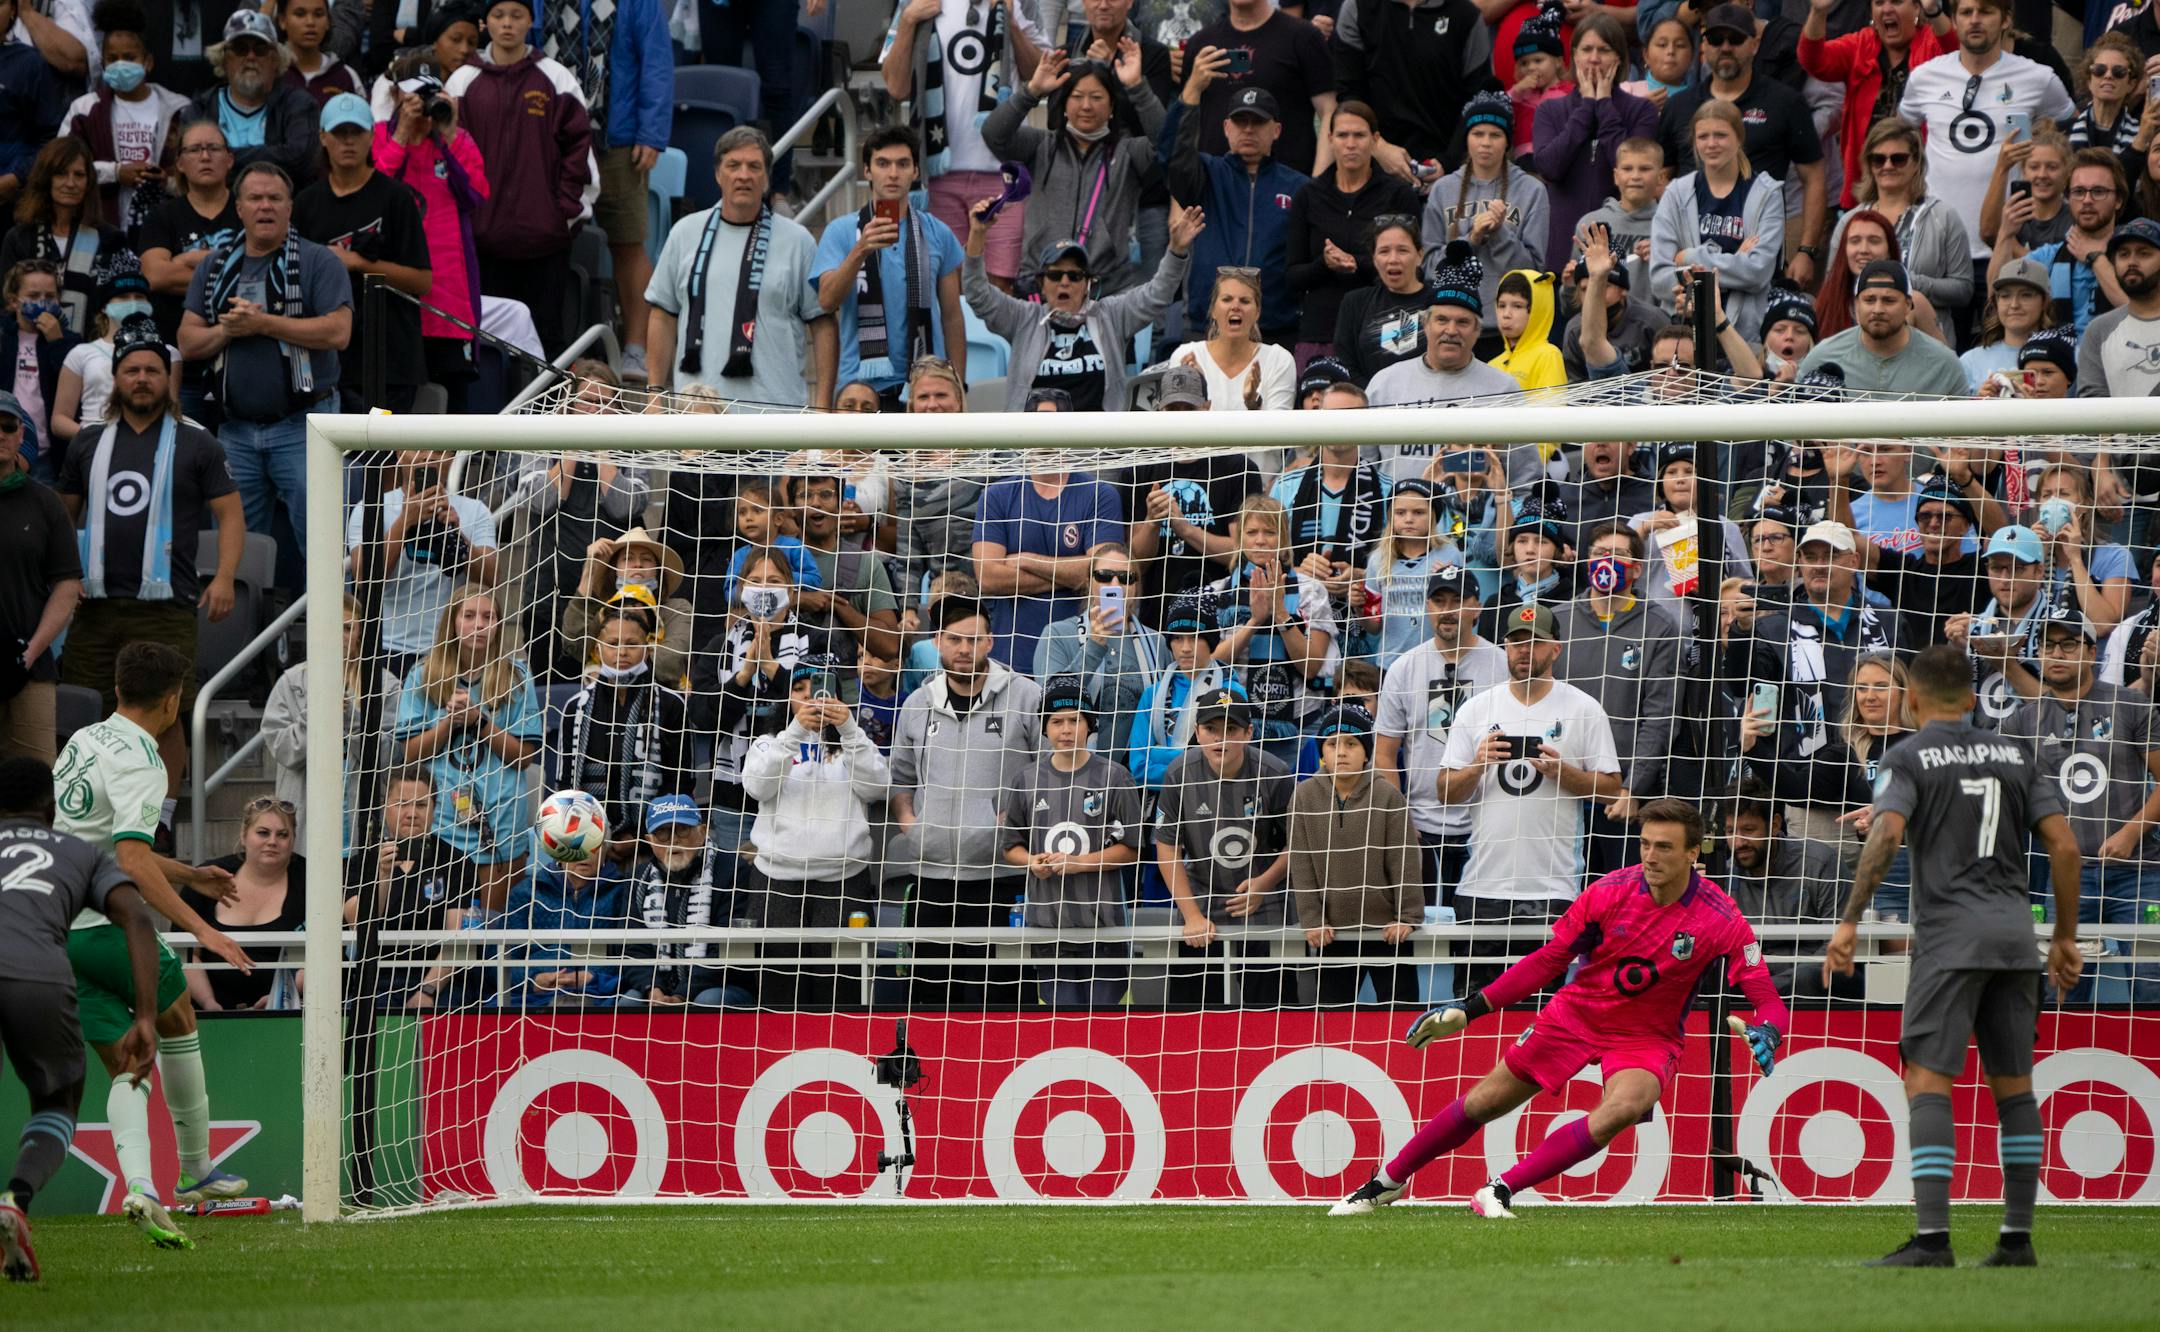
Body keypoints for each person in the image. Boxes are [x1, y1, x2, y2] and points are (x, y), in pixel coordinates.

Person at [1331, 799, 1788, 1218]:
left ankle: (1500, 1190)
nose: (1650, 856)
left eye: (1664, 847)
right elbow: (1549, 960)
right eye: (1645, 843)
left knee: (1626, 1105)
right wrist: (1471, 1009)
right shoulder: (1609, 892)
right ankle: (1385, 1183)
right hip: (1575, 1015)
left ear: (1694, 853)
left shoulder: (1720, 917)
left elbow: (1765, 996)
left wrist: (1769, 1031)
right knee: (1483, 1102)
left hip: (1646, 1037)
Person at [1824, 643, 2081, 1267]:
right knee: (2014, 1089)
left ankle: (1933, 1239)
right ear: (1972, 698)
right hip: (2016, 939)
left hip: (1948, 938)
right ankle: (2016, 1240)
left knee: (1928, 1082)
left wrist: (1851, 920)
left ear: (1911, 698)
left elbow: (1886, 832)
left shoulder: (1907, 755)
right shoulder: (2017, 753)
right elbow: (2066, 848)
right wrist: (2066, 936)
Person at [56, 641, 257, 1248]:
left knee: (127, 1064)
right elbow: (130, 859)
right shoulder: (144, 759)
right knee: (177, 1016)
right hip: (112, 930)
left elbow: (99, 844)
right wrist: (202, 927)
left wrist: (192, 875)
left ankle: (140, 1188)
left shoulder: (83, 741)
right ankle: (196, 1168)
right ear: (173, 701)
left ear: (118, 689)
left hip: (58, 931)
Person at [58, 319, 243, 814]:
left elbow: (230, 515)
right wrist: (62, 577)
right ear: (116, 379)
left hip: (166, 607)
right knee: (85, 706)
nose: (142, 378)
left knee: (168, 713)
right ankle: (88, 808)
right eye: (132, 370)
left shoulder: (197, 442)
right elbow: (62, 518)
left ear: (168, 379)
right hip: (94, 606)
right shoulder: (87, 441)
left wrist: (224, 576)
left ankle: (158, 818)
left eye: (153, 370)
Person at [0, 753, 165, 1282]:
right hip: (39, 979)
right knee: (57, 1099)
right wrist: (144, 1016)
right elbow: (137, 915)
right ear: (50, 808)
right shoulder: (79, 852)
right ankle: (15, 1198)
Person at [177, 161, 352, 572]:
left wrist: (264, 323)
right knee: (236, 556)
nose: (265, 206)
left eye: (275, 198)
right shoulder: (215, 265)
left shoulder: (318, 261)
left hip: (306, 425)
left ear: (290, 208)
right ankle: (247, 638)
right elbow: (187, 341)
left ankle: (330, 636)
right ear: (238, 208)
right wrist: (230, 330)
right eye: (255, 198)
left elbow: (338, 332)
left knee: (324, 549)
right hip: (235, 431)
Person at [1440, 602, 1623, 988]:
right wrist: (1477, 764)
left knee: (1544, 1017)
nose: (1525, 651)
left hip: (1553, 887)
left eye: (1536, 643)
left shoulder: (1583, 708)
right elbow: (1444, 792)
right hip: (1482, 888)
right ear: (1505, 648)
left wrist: (1564, 773)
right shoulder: (1475, 709)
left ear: (1555, 649)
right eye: (1517, 643)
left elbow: (1610, 790)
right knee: (1475, 1012)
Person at [888, 596, 1044, 1009]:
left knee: (1007, 1002)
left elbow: (1048, 775)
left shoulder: (1027, 697)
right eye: (955, 639)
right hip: (931, 877)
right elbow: (901, 777)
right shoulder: (916, 705)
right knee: (929, 1003)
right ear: (937, 642)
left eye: (974, 640)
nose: (964, 649)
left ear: (990, 642)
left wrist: (1014, 822)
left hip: (1002, 877)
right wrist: (911, 823)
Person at [2000, 606, 2160, 1005]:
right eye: (2047, 645)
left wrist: (2129, 833)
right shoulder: (2024, 720)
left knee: (2151, 985)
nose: (2057, 654)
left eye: (2069, 644)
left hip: (2138, 873)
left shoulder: (2131, 705)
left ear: (2091, 652)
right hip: (2067, 878)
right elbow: (1991, 785)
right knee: (2062, 993)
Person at [445, 0, 594, 358]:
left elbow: (580, 154)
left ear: (531, 20)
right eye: (499, 16)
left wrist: (561, 215)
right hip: (483, 242)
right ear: (485, 23)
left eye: (516, 16)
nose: (507, 24)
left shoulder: (556, 78)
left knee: (548, 337)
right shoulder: (462, 81)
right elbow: (445, 155)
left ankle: (547, 412)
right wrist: (466, 220)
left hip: (544, 240)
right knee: (488, 342)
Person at [646, 127, 833, 409]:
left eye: (754, 166)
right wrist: (654, 396)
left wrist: (822, 406)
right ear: (718, 175)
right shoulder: (685, 233)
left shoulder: (799, 241)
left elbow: (822, 324)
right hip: (698, 422)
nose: (743, 175)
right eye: (733, 165)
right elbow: (663, 314)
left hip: (777, 423)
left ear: (767, 178)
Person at [742, 660, 892, 1010]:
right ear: (787, 699)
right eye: (799, 690)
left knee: (841, 992)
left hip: (843, 881)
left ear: (838, 697)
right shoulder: (768, 743)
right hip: (777, 879)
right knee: (780, 993)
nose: (811, 697)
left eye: (819, 689)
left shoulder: (855, 743)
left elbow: (878, 787)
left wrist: (851, 730)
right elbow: (756, 787)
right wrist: (794, 735)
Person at [963, 200, 1199, 412]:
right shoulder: (1023, 317)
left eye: (1074, 276)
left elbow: (1157, 294)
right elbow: (978, 296)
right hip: (1035, 451)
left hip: (1098, 450)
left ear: (1087, 283)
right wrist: (977, 236)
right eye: (1055, 276)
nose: (1065, 282)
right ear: (1041, 284)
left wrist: (1176, 251)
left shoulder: (1111, 315)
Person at [1897, 0, 2073, 283]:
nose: (1975, 20)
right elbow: (1899, 138)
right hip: (1938, 247)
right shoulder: (1924, 77)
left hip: (2009, 245)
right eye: (1966, 12)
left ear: (2005, 20)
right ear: (1954, 21)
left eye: (1986, 11)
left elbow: (2071, 132)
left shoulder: (2038, 77)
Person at [1653, 4, 1825, 291]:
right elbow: (1661, 176)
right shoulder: (1679, 105)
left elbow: (1815, 175)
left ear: (1755, 44)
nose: (1725, 47)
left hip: (1757, 251)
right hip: (1688, 266)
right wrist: (1671, 229)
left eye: (1735, 39)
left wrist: (1807, 251)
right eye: (1716, 40)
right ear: (1703, 45)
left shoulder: (1785, 102)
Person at [879, 0, 1048, 290]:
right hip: (939, 173)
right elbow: (896, 85)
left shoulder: (1021, 2)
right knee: (946, 290)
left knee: (1001, 288)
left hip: (1004, 174)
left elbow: (1040, 73)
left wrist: (1012, 23)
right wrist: (908, 21)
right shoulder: (914, 3)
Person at [542, 0, 670, 384]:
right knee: (549, 240)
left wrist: (651, 132)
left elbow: (657, 62)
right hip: (553, 139)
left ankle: (635, 347)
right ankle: (553, 346)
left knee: (628, 243)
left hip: (620, 137)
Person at [394, 583, 543, 908]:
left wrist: (479, 720)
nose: (479, 625)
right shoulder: (423, 675)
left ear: (499, 626)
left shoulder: (515, 676)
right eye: (470, 615)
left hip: (500, 818)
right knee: (442, 925)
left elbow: (523, 758)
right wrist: (449, 722)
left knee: (491, 929)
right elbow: (410, 754)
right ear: (453, 621)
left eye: (489, 617)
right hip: (442, 822)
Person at [999, 674, 1143, 1009]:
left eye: (1075, 720)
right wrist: (1033, 862)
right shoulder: (1026, 779)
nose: (1066, 730)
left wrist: (1080, 863)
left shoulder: (1115, 776)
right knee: (1059, 1032)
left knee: (1106, 1030)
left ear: (1090, 725)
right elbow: (1011, 847)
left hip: (1104, 926)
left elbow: (1133, 848)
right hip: (1048, 927)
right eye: (1057, 721)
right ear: (1045, 727)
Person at [1373, 562, 1506, 908]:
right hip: (1420, 827)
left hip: (1487, 825)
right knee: (1420, 935)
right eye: (1439, 601)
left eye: (1458, 600)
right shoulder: (1404, 668)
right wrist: (1399, 819)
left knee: (1476, 939)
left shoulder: (1503, 665)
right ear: (1427, 606)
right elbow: (1385, 752)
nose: (1448, 611)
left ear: (1477, 606)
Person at [1154, 682, 1294, 1007]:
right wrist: (1191, 916)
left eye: (1231, 729)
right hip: (1202, 909)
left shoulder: (1274, 773)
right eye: (1211, 728)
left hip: (1264, 907)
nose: (1221, 738)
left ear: (1248, 732)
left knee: (1274, 1017)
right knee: (1192, 1019)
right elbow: (1167, 849)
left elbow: (1298, 843)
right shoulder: (1178, 775)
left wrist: (1264, 884)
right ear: (1198, 732)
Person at [1554, 522, 1683, 872]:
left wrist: (1632, 787)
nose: (1606, 561)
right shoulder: (1558, 621)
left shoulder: (1660, 626)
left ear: (1637, 569)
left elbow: (1660, 716)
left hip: (1619, 798)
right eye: (1599, 554)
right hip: (1560, 790)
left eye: (1619, 555)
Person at [988, 44, 1164, 294]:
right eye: (1077, 96)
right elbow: (994, 135)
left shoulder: (1129, 152)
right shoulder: (1041, 145)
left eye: (1097, 97)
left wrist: (1137, 87)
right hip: (1042, 285)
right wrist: (1032, 91)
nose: (1086, 106)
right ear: (1064, 102)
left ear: (1112, 107)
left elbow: (1168, 145)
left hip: (1107, 292)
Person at [294, 92, 432, 413]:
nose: (348, 142)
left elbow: (422, 281)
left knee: (380, 461)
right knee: (326, 461)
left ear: (372, 136)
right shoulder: (305, 203)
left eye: (356, 132)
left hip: (390, 357)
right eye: (340, 133)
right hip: (326, 358)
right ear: (323, 138)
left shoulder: (396, 197)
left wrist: (356, 263)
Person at [813, 126, 966, 410]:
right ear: (867, 171)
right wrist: (860, 251)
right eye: (883, 163)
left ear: (916, 171)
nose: (893, 173)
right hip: (860, 390)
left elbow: (952, 317)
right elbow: (826, 301)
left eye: (903, 164)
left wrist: (958, 384)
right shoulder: (841, 231)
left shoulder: (939, 232)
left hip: (925, 389)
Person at [1163, 64, 1308, 347]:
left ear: (1276, 130)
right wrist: (1191, 92)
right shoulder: (1205, 173)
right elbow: (1171, 155)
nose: (1249, 130)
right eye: (1241, 122)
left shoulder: (1300, 187)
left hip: (1276, 330)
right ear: (1226, 128)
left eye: (1258, 122)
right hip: (1206, 326)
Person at [372, 68, 489, 408]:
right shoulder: (381, 135)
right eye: (414, 99)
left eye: (429, 98)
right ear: (396, 98)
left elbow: (476, 195)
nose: (423, 109)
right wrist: (402, 137)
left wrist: (450, 134)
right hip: (397, 296)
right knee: (396, 402)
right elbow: (375, 196)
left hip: (449, 298)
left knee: (451, 401)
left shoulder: (456, 139)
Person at [546, 602, 694, 853]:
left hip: (653, 842)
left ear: (647, 650)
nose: (622, 652)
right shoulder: (576, 707)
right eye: (613, 643)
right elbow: (565, 784)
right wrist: (595, 839)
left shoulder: (671, 705)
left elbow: (680, 783)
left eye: (632, 644)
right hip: (588, 845)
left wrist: (641, 838)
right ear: (597, 649)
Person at [1206, 493, 1340, 769]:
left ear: (1284, 538)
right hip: (1236, 726)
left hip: (1302, 724)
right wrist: (1255, 620)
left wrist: (1280, 613)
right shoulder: (1217, 592)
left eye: (1270, 531)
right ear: (1239, 538)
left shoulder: (1310, 590)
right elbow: (1211, 664)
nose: (1260, 539)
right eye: (1252, 532)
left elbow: (1312, 665)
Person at [1284, 101, 1420, 366]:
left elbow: (1414, 266)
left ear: (1375, 139)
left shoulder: (1398, 194)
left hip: (1388, 325)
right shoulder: (1308, 196)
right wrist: (1325, 264)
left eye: (1359, 135)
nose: (1350, 143)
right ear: (1330, 138)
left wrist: (1356, 263)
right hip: (1321, 330)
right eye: (1343, 135)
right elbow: (1292, 276)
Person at [348, 450, 498, 675]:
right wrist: (405, 520)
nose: (428, 457)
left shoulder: (475, 510)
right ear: (399, 454)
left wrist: (456, 533)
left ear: (451, 458)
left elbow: (492, 580)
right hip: (387, 647)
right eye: (418, 448)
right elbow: (363, 578)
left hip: (451, 649)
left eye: (438, 451)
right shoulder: (370, 507)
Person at [1649, 99, 1784, 343]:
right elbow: (1659, 278)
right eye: (1703, 136)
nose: (1711, 144)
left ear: (1739, 138)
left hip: (1744, 333)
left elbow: (1758, 273)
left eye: (1721, 135)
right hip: (1684, 331)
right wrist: (1736, 262)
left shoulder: (1767, 194)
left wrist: (1689, 257)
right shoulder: (1676, 193)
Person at [1420, 92, 1547, 346]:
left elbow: (1533, 270)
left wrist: (1500, 233)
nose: (1486, 143)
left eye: (1495, 135)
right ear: (1466, 139)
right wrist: (1472, 240)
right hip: (1456, 327)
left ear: (1507, 142)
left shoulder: (1532, 190)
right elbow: (1429, 268)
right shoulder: (1443, 190)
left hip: (1510, 331)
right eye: (1478, 134)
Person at [1531, 14, 1659, 262]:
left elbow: (1627, 166)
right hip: (1563, 252)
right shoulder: (1550, 111)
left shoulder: (1642, 111)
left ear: (1619, 57)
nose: (1594, 58)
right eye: (1587, 49)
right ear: (1575, 56)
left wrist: (1603, 106)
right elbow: (1550, 168)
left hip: (1621, 255)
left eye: (1604, 50)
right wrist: (1586, 107)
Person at [972, 460, 1124, 668]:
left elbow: (1106, 574)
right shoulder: (997, 495)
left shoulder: (1100, 494)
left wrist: (1028, 561)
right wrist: (1074, 575)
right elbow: (987, 577)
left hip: (1085, 651)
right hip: (1013, 653)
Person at [1799, 0, 1949, 209]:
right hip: (1865, 191)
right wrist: (1818, 12)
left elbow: (1957, 52)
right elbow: (1813, 60)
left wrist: (1934, 10)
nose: (1886, 9)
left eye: (1896, 2)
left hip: (1922, 190)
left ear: (1917, 7)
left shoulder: (1931, 43)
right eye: (1879, 3)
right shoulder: (1860, 44)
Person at [134, 119, 237, 423]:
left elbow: (260, 275)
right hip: (179, 369)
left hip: (237, 367)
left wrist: (184, 260)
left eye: (213, 148)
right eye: (194, 150)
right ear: (179, 163)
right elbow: (156, 276)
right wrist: (228, 271)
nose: (205, 157)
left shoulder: (248, 209)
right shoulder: (163, 216)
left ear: (229, 159)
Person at [1838, 118, 1975, 342]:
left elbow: (1963, 289)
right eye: (1878, 159)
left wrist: (1905, 281)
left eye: (1898, 159)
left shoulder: (1944, 217)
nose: (1888, 166)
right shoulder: (1849, 222)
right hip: (1859, 343)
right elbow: (1833, 282)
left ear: (1917, 163)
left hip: (1926, 342)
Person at [60, 1, 187, 229]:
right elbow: (60, 167)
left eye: (129, 57)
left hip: (164, 232)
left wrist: (165, 182)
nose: (120, 65)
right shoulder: (85, 111)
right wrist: (115, 172)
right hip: (97, 231)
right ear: (102, 62)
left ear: (148, 62)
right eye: (113, 58)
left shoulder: (179, 110)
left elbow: (198, 175)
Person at [1331, 0, 1495, 172]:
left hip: (1447, 168)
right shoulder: (1357, 8)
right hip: (1373, 166)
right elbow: (1348, 95)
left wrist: (1448, 163)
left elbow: (1479, 97)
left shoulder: (1466, 15)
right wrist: (1378, 148)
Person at [1179, 0, 1335, 177]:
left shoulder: (1303, 36)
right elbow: (1186, 124)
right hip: (1216, 189)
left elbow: (1329, 111)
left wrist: (1317, 185)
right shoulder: (1200, 43)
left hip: (1287, 190)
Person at [1365, 243, 1522, 414]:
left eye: (1462, 322)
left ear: (1477, 331)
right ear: (1425, 324)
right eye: (1442, 320)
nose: (1451, 330)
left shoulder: (1504, 390)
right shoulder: (1385, 385)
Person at [0, 137, 132, 340]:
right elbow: (7, 306)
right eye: (61, 174)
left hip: (91, 357)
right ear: (46, 179)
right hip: (29, 355)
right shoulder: (18, 238)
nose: (70, 183)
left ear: (88, 181)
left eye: (79, 175)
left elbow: (123, 306)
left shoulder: (110, 239)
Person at [180, 795, 304, 1012]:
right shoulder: (208, 877)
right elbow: (187, 954)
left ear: (293, 840)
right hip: (209, 1012)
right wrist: (210, 1005)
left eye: (283, 835)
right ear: (244, 835)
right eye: (263, 833)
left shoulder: (311, 880)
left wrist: (280, 996)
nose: (272, 841)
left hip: (289, 1009)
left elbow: (328, 956)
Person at [1035, 541, 1164, 744]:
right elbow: (1049, 703)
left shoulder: (1155, 642)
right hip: (1078, 767)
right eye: (1104, 576)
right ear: (1088, 581)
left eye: (1126, 578)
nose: (1115, 586)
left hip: (1137, 769)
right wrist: (1094, 645)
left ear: (1136, 587)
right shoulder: (1057, 634)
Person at [1992, 147, 2129, 338]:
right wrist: (2006, 234)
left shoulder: (2136, 253)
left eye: (2098, 191)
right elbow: (1995, 293)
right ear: (2068, 197)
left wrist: (2095, 258)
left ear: (2119, 200)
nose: (2087, 200)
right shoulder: (2051, 256)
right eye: (2079, 191)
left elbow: (2141, 314)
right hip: (2058, 362)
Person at [623, 794, 743, 1008]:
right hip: (659, 987)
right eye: (661, 833)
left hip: (722, 985)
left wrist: (681, 995)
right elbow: (633, 949)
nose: (673, 839)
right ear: (648, 841)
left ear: (703, 832)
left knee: (707, 1000)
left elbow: (727, 950)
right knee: (628, 1003)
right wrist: (654, 990)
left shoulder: (732, 869)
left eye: (682, 829)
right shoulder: (637, 878)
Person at [187, 9, 323, 190]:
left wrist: (220, 157)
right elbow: (190, 164)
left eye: (260, 49)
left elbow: (300, 160)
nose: (250, 57)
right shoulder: (200, 108)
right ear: (224, 58)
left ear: (275, 59)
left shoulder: (299, 105)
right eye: (240, 49)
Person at [1798, 259, 1969, 394]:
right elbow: (1795, 431)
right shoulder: (1823, 358)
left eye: (1889, 300)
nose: (1878, 309)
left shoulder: (1944, 365)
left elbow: (1964, 433)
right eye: (1869, 300)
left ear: (1908, 305)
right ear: (1856, 305)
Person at [1330, 214, 1430, 386]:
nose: (1393, 259)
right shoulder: (1355, 302)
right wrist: (1378, 397)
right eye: (1384, 251)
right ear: (1374, 259)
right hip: (1370, 405)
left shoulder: (1440, 300)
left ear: (1419, 255)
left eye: (1402, 250)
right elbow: (1345, 365)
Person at [2, 261, 79, 463]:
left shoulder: (71, 342)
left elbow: (73, 391)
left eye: (50, 296)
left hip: (49, 456)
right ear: (13, 301)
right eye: (34, 296)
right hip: (6, 450)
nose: (43, 302)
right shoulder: (2, 337)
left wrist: (57, 342)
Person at [2076, 217, 2160, 399]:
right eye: (2123, 254)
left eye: (2144, 253)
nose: (2132, 262)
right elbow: (2092, 403)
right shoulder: (2099, 330)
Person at [0, 0, 64, 218]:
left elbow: (51, 137)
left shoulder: (30, 64)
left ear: (13, 12)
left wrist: (16, 178)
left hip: (10, 203)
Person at [1962, 254, 2050, 388]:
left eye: (2026, 295)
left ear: (2044, 302)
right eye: (2005, 296)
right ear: (1996, 302)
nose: (2014, 304)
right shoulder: (1969, 361)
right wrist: (1979, 401)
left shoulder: (2071, 356)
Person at [1486, 267, 1563, 391]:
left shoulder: (1548, 356)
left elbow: (1551, 408)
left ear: (1537, 310)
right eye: (1501, 305)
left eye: (1517, 306)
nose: (1506, 314)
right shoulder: (1492, 365)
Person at [2069, 32, 2142, 156]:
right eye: (2099, 70)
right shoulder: (2063, 132)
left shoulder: (2142, 136)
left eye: (2118, 71)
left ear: (2131, 84)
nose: (2108, 76)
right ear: (2089, 81)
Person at [277, 0, 362, 105]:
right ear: (282, 21)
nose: (310, 22)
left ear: (328, 22)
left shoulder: (345, 76)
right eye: (300, 14)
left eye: (318, 15)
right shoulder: (271, 73)